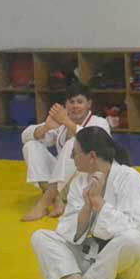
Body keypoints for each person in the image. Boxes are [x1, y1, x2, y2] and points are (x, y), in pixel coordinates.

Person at [30, 127, 140, 279]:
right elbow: (71, 233)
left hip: (133, 266)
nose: (71, 157)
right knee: (41, 237)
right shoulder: (80, 182)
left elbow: (129, 226)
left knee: (132, 238)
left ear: (91, 156)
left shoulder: (129, 177)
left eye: (75, 153)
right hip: (97, 259)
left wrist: (98, 201)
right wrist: (87, 206)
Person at [21, 83, 110, 221]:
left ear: (89, 104)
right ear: (65, 105)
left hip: (87, 184)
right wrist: (46, 127)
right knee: (31, 146)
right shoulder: (61, 124)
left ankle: (43, 204)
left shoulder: (100, 122)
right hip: (61, 185)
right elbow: (25, 136)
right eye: (71, 102)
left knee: (73, 145)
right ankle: (56, 200)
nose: (75, 106)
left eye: (80, 102)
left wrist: (67, 122)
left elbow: (94, 141)